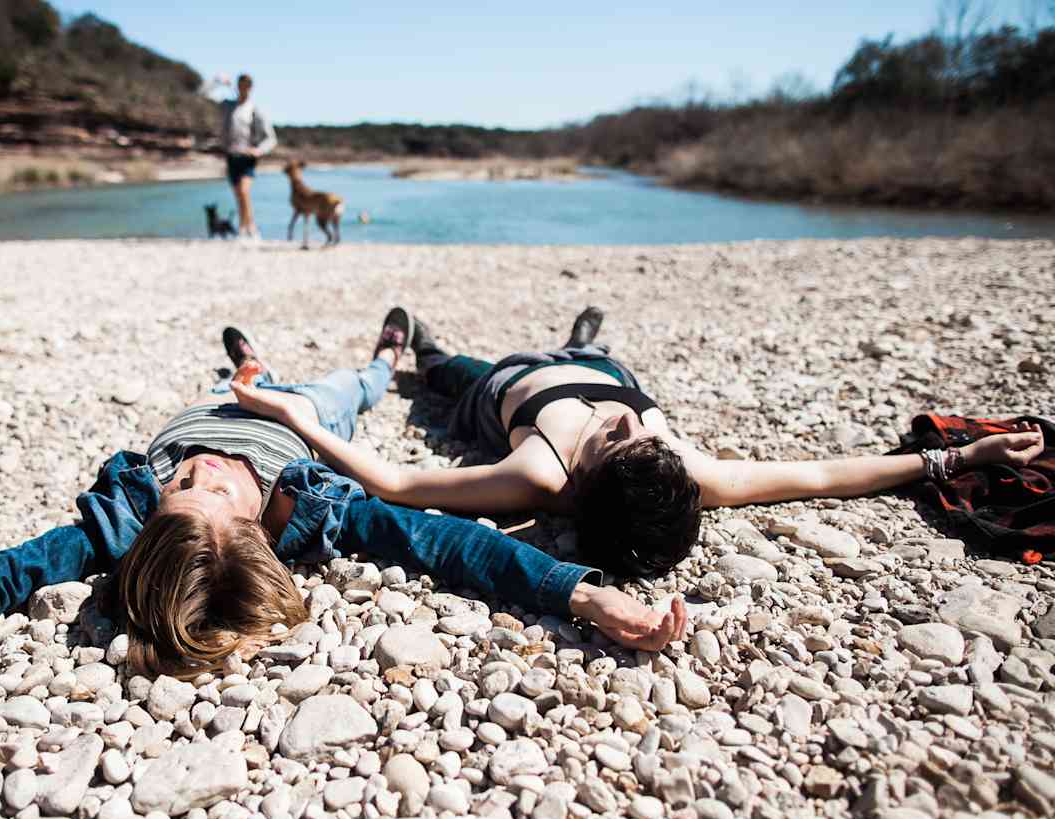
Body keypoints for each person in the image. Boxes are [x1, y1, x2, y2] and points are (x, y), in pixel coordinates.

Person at [0, 309, 687, 771]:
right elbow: (448, 547)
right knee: (344, 395)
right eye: (206, 491)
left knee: (277, 384)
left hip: (225, 397)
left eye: (187, 490)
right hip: (300, 424)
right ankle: (374, 356)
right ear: (253, 534)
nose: (203, 472)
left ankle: (297, 360)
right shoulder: (310, 513)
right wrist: (580, 589)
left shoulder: (131, 518)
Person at [233, 306, 1047, 580]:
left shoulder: (538, 472)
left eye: (618, 441)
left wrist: (295, 415)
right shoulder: (679, 472)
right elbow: (821, 473)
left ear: (583, 485)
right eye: (634, 433)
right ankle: (581, 339)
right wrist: (958, 456)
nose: (625, 422)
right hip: (589, 364)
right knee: (582, 357)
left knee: (448, 377)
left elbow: (402, 483)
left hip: (503, 388)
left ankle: (422, 350)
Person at [203, 73, 277, 239]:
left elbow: (271, 138)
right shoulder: (228, 105)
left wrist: (258, 150)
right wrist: (217, 81)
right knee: (239, 196)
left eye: (247, 85)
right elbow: (205, 95)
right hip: (231, 157)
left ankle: (246, 229)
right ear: (238, 86)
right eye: (242, 84)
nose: (244, 88)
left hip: (248, 158)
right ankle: (250, 227)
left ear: (251, 88)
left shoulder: (254, 110)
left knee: (244, 192)